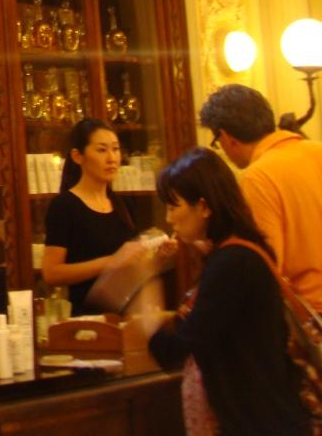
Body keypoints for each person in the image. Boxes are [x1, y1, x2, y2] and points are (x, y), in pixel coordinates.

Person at [138, 147, 310, 435]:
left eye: (173, 206)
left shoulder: (231, 263)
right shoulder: (244, 250)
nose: (169, 218)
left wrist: (143, 297)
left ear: (204, 207)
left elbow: (176, 350)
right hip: (271, 416)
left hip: (257, 422)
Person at [200, 83, 322, 311]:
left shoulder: (257, 178)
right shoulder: (317, 150)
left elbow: (265, 267)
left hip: (312, 313)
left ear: (226, 137)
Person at [42, 119, 145, 314]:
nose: (112, 158)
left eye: (116, 149)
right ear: (77, 156)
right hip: (89, 320)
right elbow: (51, 273)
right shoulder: (64, 206)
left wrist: (155, 254)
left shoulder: (124, 204)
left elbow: (131, 264)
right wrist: (110, 262)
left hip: (127, 315)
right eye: (101, 150)